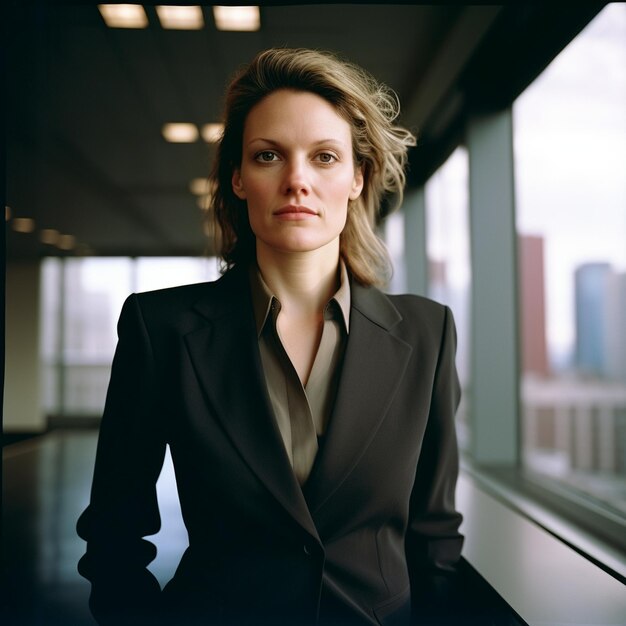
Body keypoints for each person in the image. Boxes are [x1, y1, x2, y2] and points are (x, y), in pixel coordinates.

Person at [77, 47, 464, 626]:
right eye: (267, 156)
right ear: (238, 178)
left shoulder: (428, 333)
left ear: (358, 178)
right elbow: (114, 534)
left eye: (325, 157)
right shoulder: (161, 329)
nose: (297, 180)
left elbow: (434, 536)